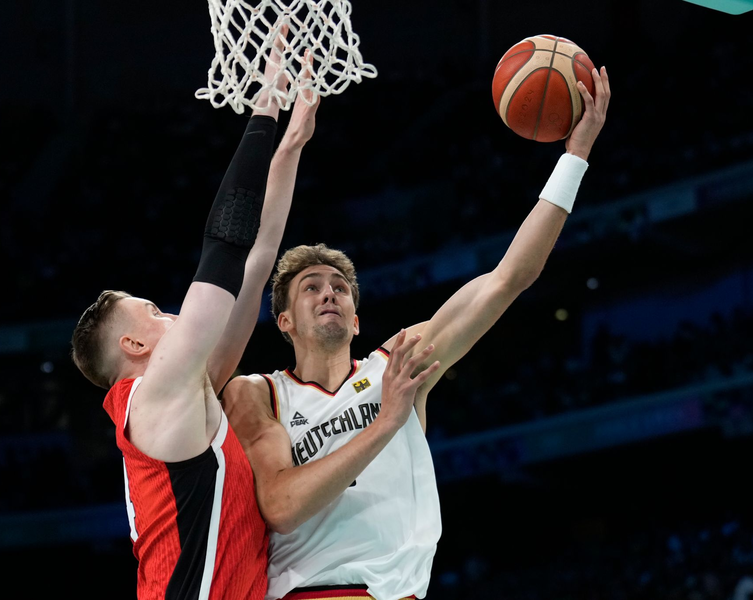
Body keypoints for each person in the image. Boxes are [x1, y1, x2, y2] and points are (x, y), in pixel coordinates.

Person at [221, 66, 611, 600]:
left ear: (357, 319)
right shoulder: (256, 393)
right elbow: (282, 508)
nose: (329, 293)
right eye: (311, 288)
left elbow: (508, 279)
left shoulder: (399, 361)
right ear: (284, 322)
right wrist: (386, 423)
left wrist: (576, 155)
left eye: (339, 287)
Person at [69, 45, 321, 599]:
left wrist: (290, 148)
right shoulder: (157, 395)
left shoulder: (186, 394)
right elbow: (225, 246)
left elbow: (255, 265)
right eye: (155, 311)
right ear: (134, 343)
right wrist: (263, 113)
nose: (173, 312)